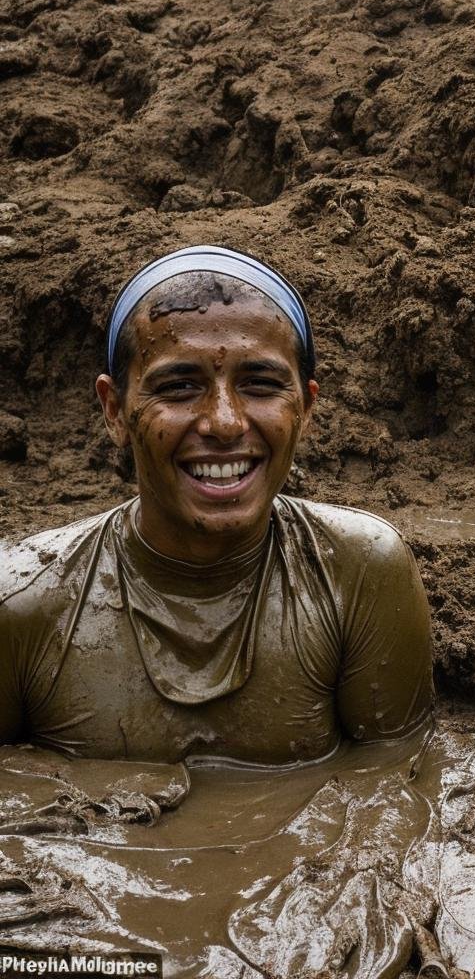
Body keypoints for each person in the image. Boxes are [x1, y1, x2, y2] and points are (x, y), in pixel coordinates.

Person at [0, 247, 433, 763]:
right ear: (115, 410)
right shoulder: (25, 604)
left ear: (307, 408)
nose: (224, 422)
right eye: (180, 386)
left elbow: (398, 788)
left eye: (260, 385)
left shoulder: (358, 573)